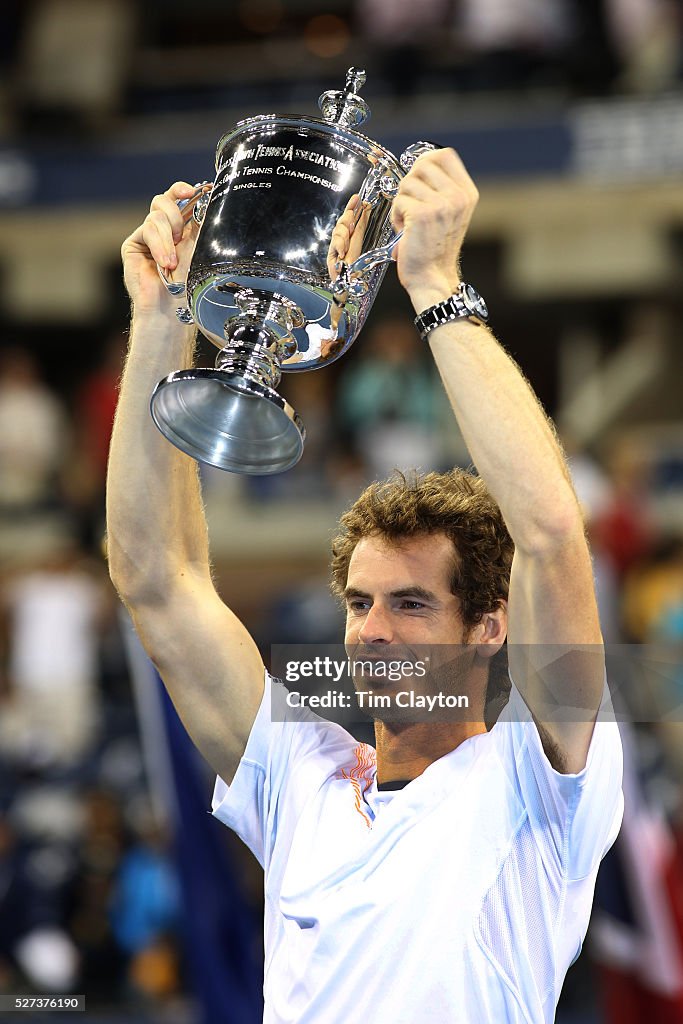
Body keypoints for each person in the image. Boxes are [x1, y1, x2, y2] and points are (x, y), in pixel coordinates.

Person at [106, 149, 624, 1023]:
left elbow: (546, 532)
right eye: (359, 602)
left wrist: (432, 283)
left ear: (490, 628)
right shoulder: (297, 775)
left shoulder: (540, 778)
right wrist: (161, 316)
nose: (371, 632)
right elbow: (156, 580)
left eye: (412, 603)